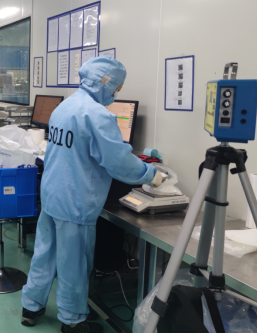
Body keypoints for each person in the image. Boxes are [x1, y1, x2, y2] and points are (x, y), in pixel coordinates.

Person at [21, 57, 163, 333]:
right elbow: (119, 162)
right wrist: (150, 174)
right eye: (117, 88)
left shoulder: (64, 106)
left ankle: (31, 306)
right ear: (105, 83)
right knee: (73, 265)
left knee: (44, 255)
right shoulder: (98, 115)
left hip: (52, 196)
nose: (116, 93)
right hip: (75, 202)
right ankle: (73, 322)